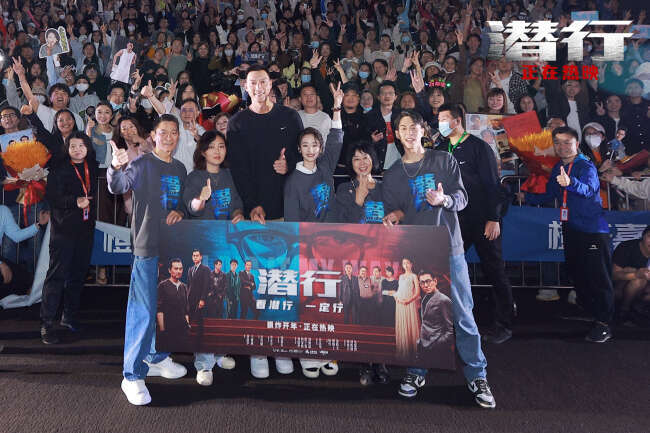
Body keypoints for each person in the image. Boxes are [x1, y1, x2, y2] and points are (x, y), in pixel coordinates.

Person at [382, 109, 495, 408]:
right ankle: (416, 371)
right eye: (402, 127)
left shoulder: (444, 160)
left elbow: (462, 198)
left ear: (423, 130)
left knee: (462, 315)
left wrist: (444, 199)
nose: (408, 132)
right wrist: (393, 216)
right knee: (418, 316)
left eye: (413, 126)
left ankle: (477, 374)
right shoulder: (392, 174)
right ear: (397, 134)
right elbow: (398, 210)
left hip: (449, 247)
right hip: (415, 251)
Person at [108, 114, 188, 406]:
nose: (169, 137)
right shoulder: (142, 164)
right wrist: (116, 166)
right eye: (163, 132)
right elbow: (118, 186)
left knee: (165, 306)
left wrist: (181, 211)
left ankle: (156, 357)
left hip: (172, 249)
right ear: (153, 136)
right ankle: (131, 375)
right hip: (146, 247)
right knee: (142, 311)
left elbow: (181, 204)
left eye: (173, 132)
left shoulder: (180, 168)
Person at [517, 126, 615, 344]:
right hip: (571, 227)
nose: (562, 147)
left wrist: (571, 183)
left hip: (592, 231)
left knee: (598, 277)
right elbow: (551, 193)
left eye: (567, 142)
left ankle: (604, 323)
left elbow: (589, 189)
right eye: (558, 143)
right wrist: (526, 198)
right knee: (577, 273)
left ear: (576, 144)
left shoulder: (585, 165)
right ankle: (592, 313)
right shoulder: (559, 167)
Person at [436, 103, 513, 344]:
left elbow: (492, 184)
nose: (440, 124)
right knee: (447, 268)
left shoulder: (479, 147)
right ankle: (447, 320)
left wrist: (493, 218)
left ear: (457, 121)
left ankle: (504, 323)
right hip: (454, 220)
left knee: (494, 269)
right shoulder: (441, 149)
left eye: (444, 119)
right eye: (439, 119)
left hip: (482, 218)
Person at [40, 131, 98, 344]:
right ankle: (46, 324)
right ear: (67, 148)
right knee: (56, 276)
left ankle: (69, 316)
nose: (77, 149)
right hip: (63, 231)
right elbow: (52, 197)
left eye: (81, 145)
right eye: (73, 146)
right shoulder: (59, 169)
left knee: (78, 275)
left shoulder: (92, 166)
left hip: (85, 230)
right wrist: (75, 201)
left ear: (87, 147)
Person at [228, 65, 303, 224]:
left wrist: (288, 164)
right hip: (253, 212)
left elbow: (302, 155)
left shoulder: (290, 117)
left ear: (270, 84)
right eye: (253, 83)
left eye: (263, 82)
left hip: (287, 207)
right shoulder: (236, 123)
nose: (258, 87)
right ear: (245, 86)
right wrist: (252, 204)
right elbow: (238, 169)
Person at [283, 82, 344, 222]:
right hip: (306, 234)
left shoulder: (325, 167)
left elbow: (335, 139)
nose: (310, 150)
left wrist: (337, 106)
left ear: (321, 148)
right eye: (305, 145)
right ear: (299, 148)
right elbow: (292, 219)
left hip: (330, 231)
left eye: (314, 145)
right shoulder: (292, 180)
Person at [327, 141, 385, 224]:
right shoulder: (344, 189)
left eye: (365, 158)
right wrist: (358, 201)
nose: (362, 163)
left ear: (372, 159)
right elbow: (342, 223)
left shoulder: (384, 187)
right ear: (351, 163)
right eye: (357, 159)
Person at [610, 226, 650, 325]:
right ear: (643, 236)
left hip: (643, 293)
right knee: (634, 274)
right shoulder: (627, 247)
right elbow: (613, 275)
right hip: (619, 290)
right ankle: (624, 311)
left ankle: (638, 309)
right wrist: (635, 274)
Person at [415, 270, 454, 364]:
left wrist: (438, 343)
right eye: (422, 283)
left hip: (438, 349)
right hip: (424, 347)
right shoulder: (425, 298)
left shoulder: (443, 300)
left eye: (428, 281)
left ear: (435, 281)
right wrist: (420, 342)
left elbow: (451, 329)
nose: (426, 285)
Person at [156, 258, 190, 349]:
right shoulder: (163, 285)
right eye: (176, 268)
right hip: (168, 329)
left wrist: (187, 325)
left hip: (182, 330)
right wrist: (162, 330)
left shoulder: (184, 287)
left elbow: (186, 310)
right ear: (169, 270)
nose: (178, 271)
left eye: (180, 269)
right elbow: (159, 310)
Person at [393, 258, 420, 359]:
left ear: (411, 264)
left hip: (409, 303)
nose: (406, 265)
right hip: (400, 303)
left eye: (407, 263)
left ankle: (414, 351)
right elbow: (399, 290)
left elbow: (417, 292)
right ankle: (404, 350)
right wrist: (396, 296)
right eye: (404, 263)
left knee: (411, 324)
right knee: (402, 325)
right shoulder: (400, 276)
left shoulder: (414, 276)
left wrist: (409, 301)